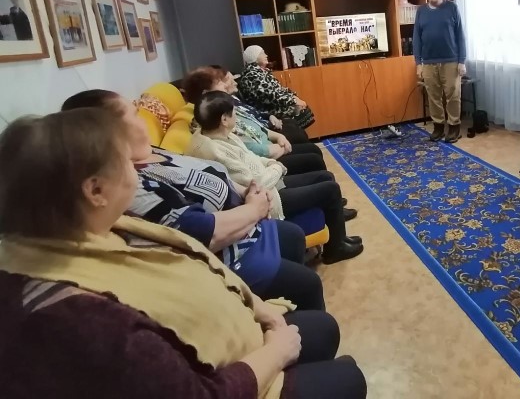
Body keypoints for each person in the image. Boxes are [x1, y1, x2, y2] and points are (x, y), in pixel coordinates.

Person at [0, 108, 367, 399]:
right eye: (124, 160)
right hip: (224, 375)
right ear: (95, 190)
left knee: (322, 329)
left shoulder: (87, 230)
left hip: (232, 332)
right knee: (347, 377)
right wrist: (276, 352)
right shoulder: (81, 320)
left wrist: (258, 309)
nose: (137, 166)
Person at [61, 89, 325, 311]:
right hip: (230, 255)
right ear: (107, 132)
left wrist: (247, 192)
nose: (143, 119)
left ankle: (285, 311)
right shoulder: (129, 184)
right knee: (309, 285)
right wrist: (254, 209)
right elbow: (201, 233)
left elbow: (219, 175)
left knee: (292, 235)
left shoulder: (150, 151)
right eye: (134, 113)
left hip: (246, 220)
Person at [189, 91, 363, 265]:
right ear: (224, 119)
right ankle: (335, 250)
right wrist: (277, 167)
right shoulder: (215, 152)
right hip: (269, 200)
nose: (237, 115)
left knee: (324, 177)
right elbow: (256, 184)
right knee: (330, 189)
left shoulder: (221, 134)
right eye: (234, 112)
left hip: (272, 184)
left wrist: (272, 164)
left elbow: (252, 158)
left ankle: (338, 237)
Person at [182, 66, 326, 175]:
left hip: (268, 152)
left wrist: (278, 136)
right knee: (313, 158)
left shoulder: (222, 108)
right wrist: (279, 148)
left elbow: (254, 126)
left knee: (312, 151)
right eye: (220, 82)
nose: (226, 85)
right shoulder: (216, 120)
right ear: (206, 94)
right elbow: (251, 152)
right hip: (266, 165)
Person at [413, 0, 467, 143]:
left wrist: (462, 61)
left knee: (453, 95)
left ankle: (454, 127)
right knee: (433, 96)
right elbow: (417, 38)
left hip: (451, 60)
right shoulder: (421, 11)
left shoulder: (452, 8)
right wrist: (418, 63)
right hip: (428, 62)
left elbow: (460, 35)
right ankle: (438, 127)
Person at [238, 46, 315, 129]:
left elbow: (279, 90)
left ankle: (298, 132)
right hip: (265, 111)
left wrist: (294, 96)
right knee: (299, 108)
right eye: (262, 53)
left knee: (302, 108)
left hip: (273, 105)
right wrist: (294, 101)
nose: (266, 55)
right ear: (254, 58)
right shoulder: (252, 75)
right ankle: (296, 132)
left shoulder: (262, 72)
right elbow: (271, 96)